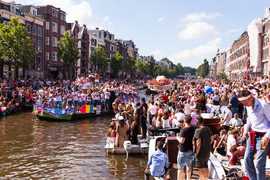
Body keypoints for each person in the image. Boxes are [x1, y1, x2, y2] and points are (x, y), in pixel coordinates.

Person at [238, 89, 270, 180]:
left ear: (251, 97)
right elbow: (250, 119)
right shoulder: (248, 106)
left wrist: (267, 136)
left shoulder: (263, 105)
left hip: (263, 137)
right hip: (253, 136)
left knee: (260, 163)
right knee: (247, 159)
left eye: (244, 102)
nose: (244, 105)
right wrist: (245, 129)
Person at [194, 116, 213, 180]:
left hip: (201, 152)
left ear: (197, 122)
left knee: (201, 167)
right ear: (203, 122)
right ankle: (206, 178)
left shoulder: (198, 130)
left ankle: (202, 179)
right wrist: (208, 144)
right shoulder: (208, 129)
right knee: (205, 166)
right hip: (207, 151)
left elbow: (198, 142)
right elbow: (212, 138)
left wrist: (196, 152)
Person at [177, 114, 196, 180]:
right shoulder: (193, 128)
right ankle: (188, 179)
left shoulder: (184, 130)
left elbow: (182, 141)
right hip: (190, 150)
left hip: (183, 151)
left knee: (180, 168)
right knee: (189, 167)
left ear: (184, 121)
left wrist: (177, 138)